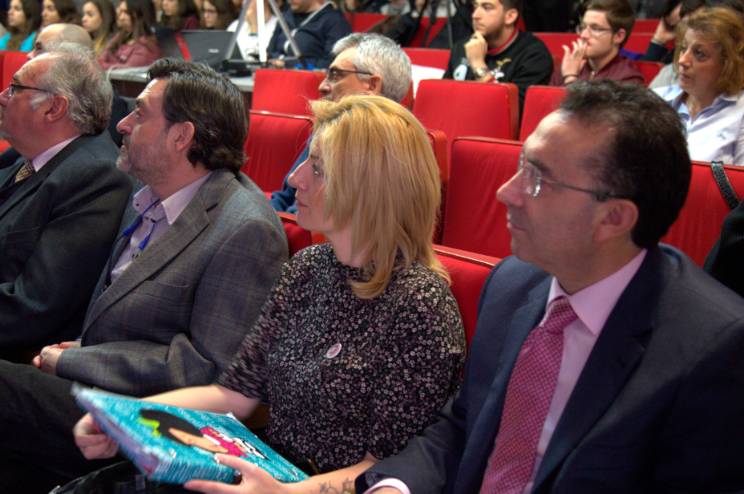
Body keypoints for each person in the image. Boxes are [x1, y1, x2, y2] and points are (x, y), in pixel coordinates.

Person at [356, 79, 744, 493]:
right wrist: (395, 486)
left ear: (614, 218)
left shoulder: (710, 347)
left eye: (537, 179)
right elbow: (462, 426)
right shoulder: (512, 284)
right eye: (521, 165)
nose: (505, 192)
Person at [74, 94, 465, 494]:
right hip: (265, 472)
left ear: (368, 189)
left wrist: (284, 493)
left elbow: (383, 468)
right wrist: (127, 417)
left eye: (318, 169)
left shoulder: (420, 304)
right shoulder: (309, 267)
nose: (295, 179)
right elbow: (233, 394)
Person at [0, 58, 287, 493]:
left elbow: (207, 369)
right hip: (90, 385)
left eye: (140, 113)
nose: (122, 124)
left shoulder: (245, 228)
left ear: (181, 136)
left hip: (146, 417)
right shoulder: (147, 193)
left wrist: (79, 358)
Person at [0, 48, 131, 361]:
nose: (3, 96)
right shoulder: (24, 156)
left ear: (54, 107)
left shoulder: (96, 177)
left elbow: (33, 307)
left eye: (15, 88)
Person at [271, 32, 411, 213]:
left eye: (335, 76)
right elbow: (285, 197)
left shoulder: (387, 150)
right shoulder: (329, 128)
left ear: (372, 85)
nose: (322, 86)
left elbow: (315, 220)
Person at [654, 6, 744, 165]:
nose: (682, 60)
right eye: (683, 49)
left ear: (727, 64)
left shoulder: (740, 114)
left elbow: (738, 180)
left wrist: (710, 175)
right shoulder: (656, 99)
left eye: (699, 54)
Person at [443, 0, 553, 107]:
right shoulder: (463, 46)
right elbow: (444, 98)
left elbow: (512, 110)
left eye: (487, 7)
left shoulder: (534, 55)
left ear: (510, 16)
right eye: (475, 6)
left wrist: (478, 65)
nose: (475, 15)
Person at [550, 0, 644, 86]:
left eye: (595, 29)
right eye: (583, 27)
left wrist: (570, 78)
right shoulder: (569, 66)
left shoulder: (628, 79)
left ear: (619, 36)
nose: (584, 35)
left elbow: (582, 100)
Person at [267, 0, 351, 68]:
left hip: (309, 78)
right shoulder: (286, 16)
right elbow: (270, 52)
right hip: (276, 75)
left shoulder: (335, 21)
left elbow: (331, 63)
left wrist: (289, 64)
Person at [99, 0, 161, 69]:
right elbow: (101, 60)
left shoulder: (147, 45)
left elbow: (128, 70)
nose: (121, 17)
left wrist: (105, 65)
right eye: (120, 12)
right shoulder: (119, 37)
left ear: (139, 14)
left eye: (126, 13)